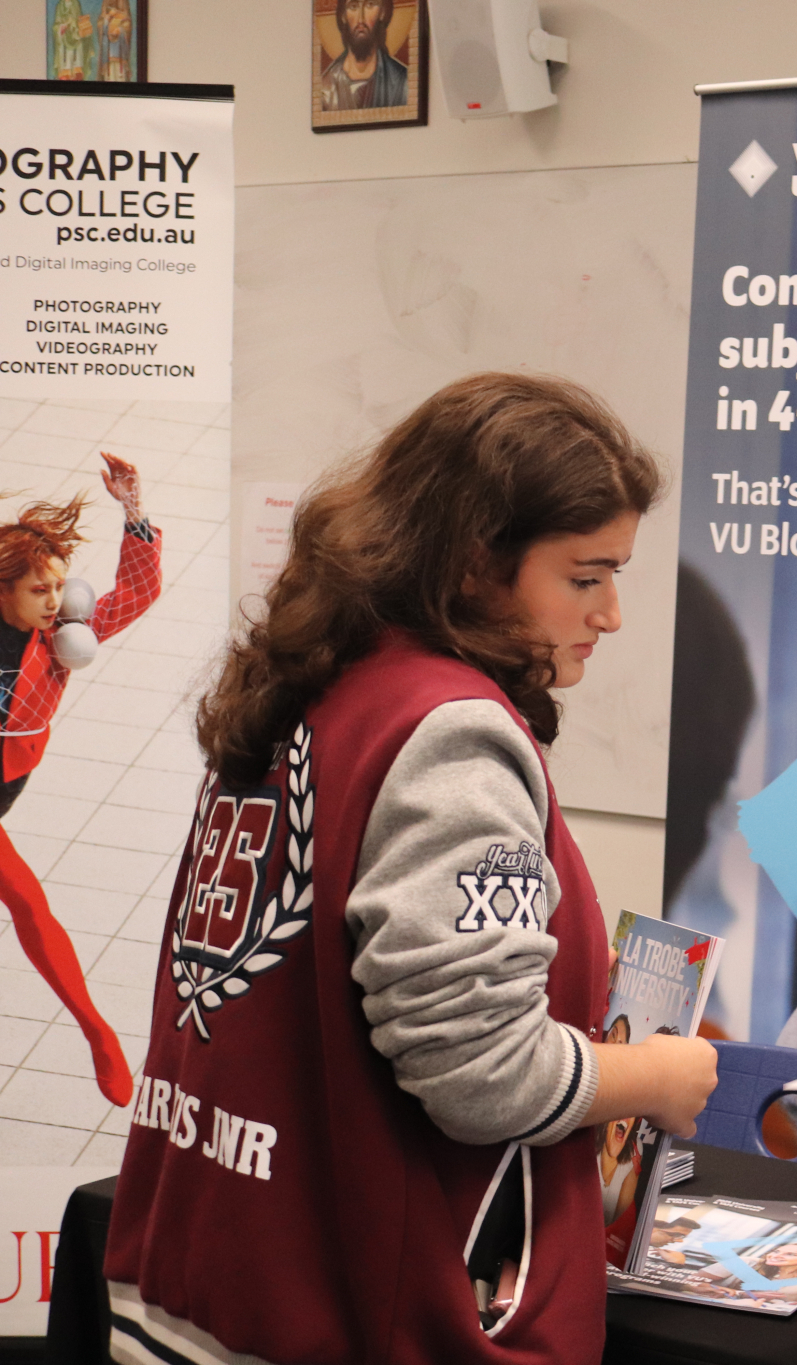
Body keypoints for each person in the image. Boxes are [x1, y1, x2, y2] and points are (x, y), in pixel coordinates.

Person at [104, 373, 719, 1365]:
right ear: (476, 562)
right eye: (586, 576)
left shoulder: (309, 680)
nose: (610, 614)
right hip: (336, 1313)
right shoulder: (452, 733)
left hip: (204, 1269)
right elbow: (482, 1076)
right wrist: (652, 1076)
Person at [0, 454, 161, 1105]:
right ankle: (99, 1033)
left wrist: (135, 511)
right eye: (39, 589)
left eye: (59, 587)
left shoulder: (63, 639)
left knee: (30, 908)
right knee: (28, 903)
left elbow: (137, 594)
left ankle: (98, 1033)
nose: (54, 601)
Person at [320, 0, 409, 110]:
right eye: (353, 6)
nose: (360, 20)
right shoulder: (326, 88)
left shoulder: (402, 82)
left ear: (382, 12)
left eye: (370, 5)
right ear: (343, 16)